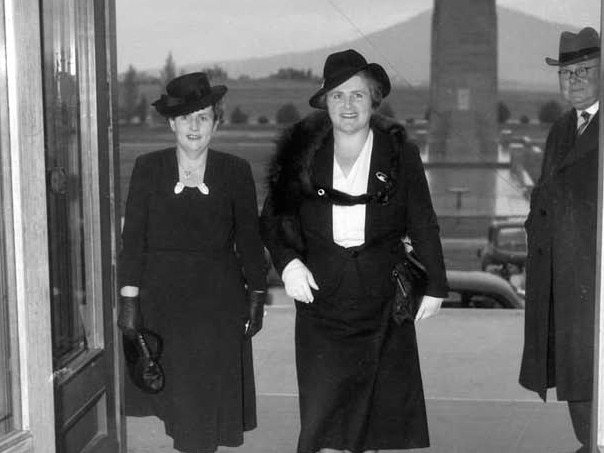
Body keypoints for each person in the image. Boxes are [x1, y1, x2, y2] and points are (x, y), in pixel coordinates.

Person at [260, 49, 448, 453]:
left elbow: (422, 220)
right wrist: (289, 264)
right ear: (325, 102)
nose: (348, 105)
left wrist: (436, 283)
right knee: (325, 421)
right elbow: (272, 220)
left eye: (358, 95)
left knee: (375, 421)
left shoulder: (400, 154)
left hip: (383, 302)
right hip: (322, 303)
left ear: (373, 100)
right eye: (338, 95)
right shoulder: (301, 156)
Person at [117, 72, 267, 453]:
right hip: (162, 301)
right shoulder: (148, 168)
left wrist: (257, 294)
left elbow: (249, 238)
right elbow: (132, 239)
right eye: (186, 117)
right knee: (178, 399)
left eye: (203, 116)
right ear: (171, 123)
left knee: (204, 400)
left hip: (218, 304)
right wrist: (129, 303)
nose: (195, 126)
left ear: (217, 121)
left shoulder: (236, 171)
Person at [519, 27, 600, 453]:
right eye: (566, 72)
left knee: (590, 370)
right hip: (562, 280)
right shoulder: (560, 129)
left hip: (595, 279)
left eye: (585, 69)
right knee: (573, 373)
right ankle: (589, 445)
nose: (574, 80)